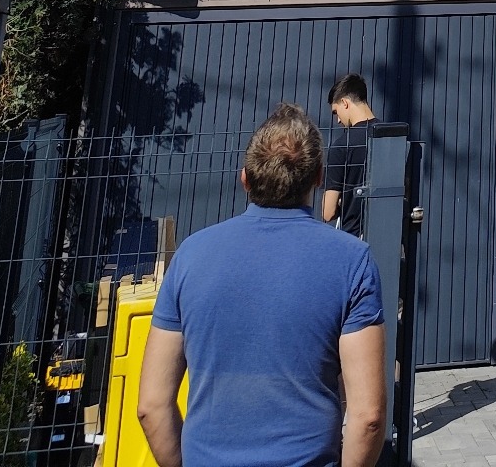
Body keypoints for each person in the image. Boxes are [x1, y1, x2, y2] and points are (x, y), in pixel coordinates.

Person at [137, 104, 387, 467]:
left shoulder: (191, 256)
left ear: (245, 179)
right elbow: (368, 417)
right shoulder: (352, 261)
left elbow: (151, 406)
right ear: (318, 177)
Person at [323, 74, 376, 235]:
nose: (338, 120)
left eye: (335, 112)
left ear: (345, 103)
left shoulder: (342, 145)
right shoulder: (392, 138)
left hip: (354, 237)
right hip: (391, 237)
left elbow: (328, 212)